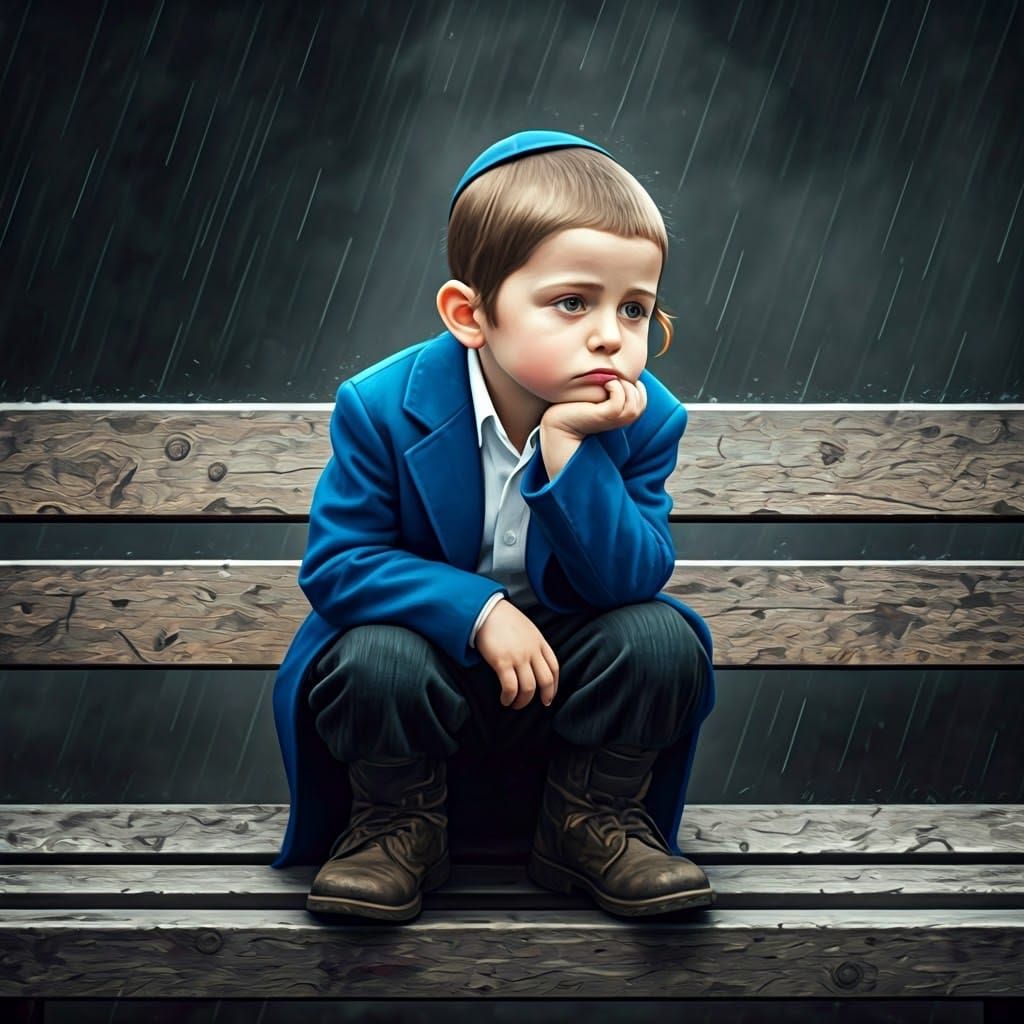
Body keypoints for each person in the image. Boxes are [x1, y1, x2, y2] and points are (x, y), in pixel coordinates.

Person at [269, 129, 717, 923]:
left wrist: (569, 449)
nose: (611, 333)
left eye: (635, 307)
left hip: (565, 689)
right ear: (470, 314)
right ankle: (395, 829)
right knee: (370, 654)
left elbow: (630, 579)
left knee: (660, 639)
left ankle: (590, 825)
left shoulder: (645, 422)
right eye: (572, 302)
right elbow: (339, 566)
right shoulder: (381, 406)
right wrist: (478, 613)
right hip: (422, 682)